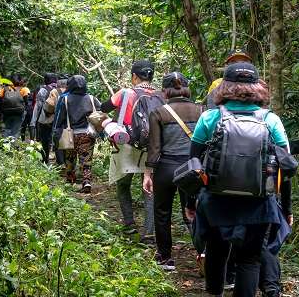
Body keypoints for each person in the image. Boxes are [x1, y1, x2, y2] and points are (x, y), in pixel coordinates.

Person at [187, 62, 290, 297]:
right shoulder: (271, 120)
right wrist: (287, 206)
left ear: (224, 86)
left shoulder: (210, 118)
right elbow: (285, 166)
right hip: (259, 202)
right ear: (258, 87)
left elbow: (193, 162)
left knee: (216, 251)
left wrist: (191, 203)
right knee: (250, 259)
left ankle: (214, 293)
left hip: (215, 199)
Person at [142, 72, 202, 270]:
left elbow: (154, 148)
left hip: (166, 169)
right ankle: (203, 253)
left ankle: (165, 258)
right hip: (192, 169)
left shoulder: (159, 112)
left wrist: (148, 174)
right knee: (194, 212)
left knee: (162, 213)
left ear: (165, 90)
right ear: (186, 87)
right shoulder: (202, 110)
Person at [100, 60, 157, 236]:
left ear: (134, 76)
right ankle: (149, 232)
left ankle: (129, 223)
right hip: (152, 147)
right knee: (149, 188)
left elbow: (104, 107)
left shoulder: (126, 93)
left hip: (126, 143)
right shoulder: (160, 95)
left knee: (123, 184)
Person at [53, 75, 101, 193]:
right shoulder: (91, 98)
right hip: (87, 133)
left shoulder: (64, 99)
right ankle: (86, 181)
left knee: (69, 157)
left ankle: (70, 179)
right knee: (86, 159)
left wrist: (56, 132)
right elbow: (100, 113)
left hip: (70, 134)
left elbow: (59, 117)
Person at [30, 73, 58, 163]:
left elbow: (38, 106)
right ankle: (60, 161)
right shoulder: (59, 89)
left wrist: (34, 121)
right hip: (58, 119)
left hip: (45, 118)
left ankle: (45, 159)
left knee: (44, 139)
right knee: (56, 139)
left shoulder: (43, 90)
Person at [0, 74, 30, 139]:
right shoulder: (24, 89)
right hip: (19, 112)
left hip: (6, 112)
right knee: (15, 130)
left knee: (7, 128)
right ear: (20, 80)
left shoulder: (5, 89)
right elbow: (27, 101)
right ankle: (13, 145)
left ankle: (6, 145)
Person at [44, 76, 69, 167]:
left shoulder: (55, 91)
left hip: (59, 119)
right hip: (72, 121)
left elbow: (49, 106)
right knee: (69, 140)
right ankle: (68, 162)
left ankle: (61, 162)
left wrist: (48, 113)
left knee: (58, 140)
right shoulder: (72, 92)